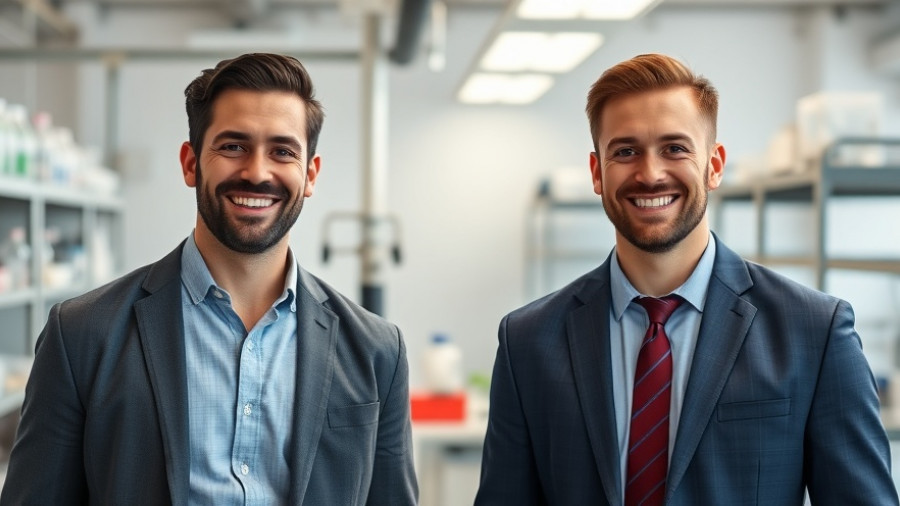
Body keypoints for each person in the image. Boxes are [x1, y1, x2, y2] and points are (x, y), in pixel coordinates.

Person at [474, 53, 898, 505]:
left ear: (714, 165)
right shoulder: (528, 341)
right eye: (625, 151)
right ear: (597, 172)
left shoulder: (814, 331)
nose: (650, 173)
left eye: (675, 148)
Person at [1, 53, 418, 505]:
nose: (257, 172)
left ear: (310, 174)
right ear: (191, 163)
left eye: (283, 151)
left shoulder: (377, 351)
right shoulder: (82, 334)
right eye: (233, 146)